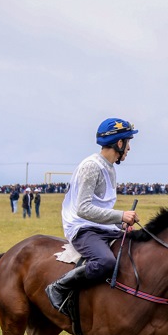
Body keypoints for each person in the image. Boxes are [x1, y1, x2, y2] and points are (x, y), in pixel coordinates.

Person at [45, 118, 139, 314]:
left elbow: (100, 206)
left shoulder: (109, 167)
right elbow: (84, 209)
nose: (129, 148)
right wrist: (121, 216)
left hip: (100, 226)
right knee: (106, 262)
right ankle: (59, 287)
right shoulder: (91, 166)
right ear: (119, 143)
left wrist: (121, 224)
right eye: (128, 142)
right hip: (82, 227)